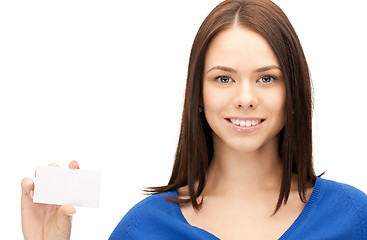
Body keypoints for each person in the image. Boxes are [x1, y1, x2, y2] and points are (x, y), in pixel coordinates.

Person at [21, 0, 367, 239]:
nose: (245, 98)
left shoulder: (353, 216)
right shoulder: (144, 228)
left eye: (266, 78)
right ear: (197, 94)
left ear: (293, 91)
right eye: (223, 78)